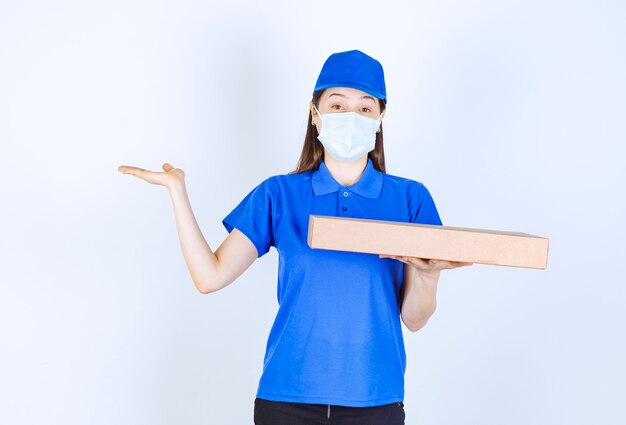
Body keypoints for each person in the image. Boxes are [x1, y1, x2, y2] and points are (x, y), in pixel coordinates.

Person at [118, 49, 472, 425]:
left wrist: (429, 273)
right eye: (337, 105)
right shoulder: (278, 195)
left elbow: (415, 320)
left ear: (381, 119)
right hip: (286, 399)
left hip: (375, 400)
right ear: (315, 113)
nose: (351, 117)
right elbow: (210, 277)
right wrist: (178, 192)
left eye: (365, 109)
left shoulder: (410, 199)